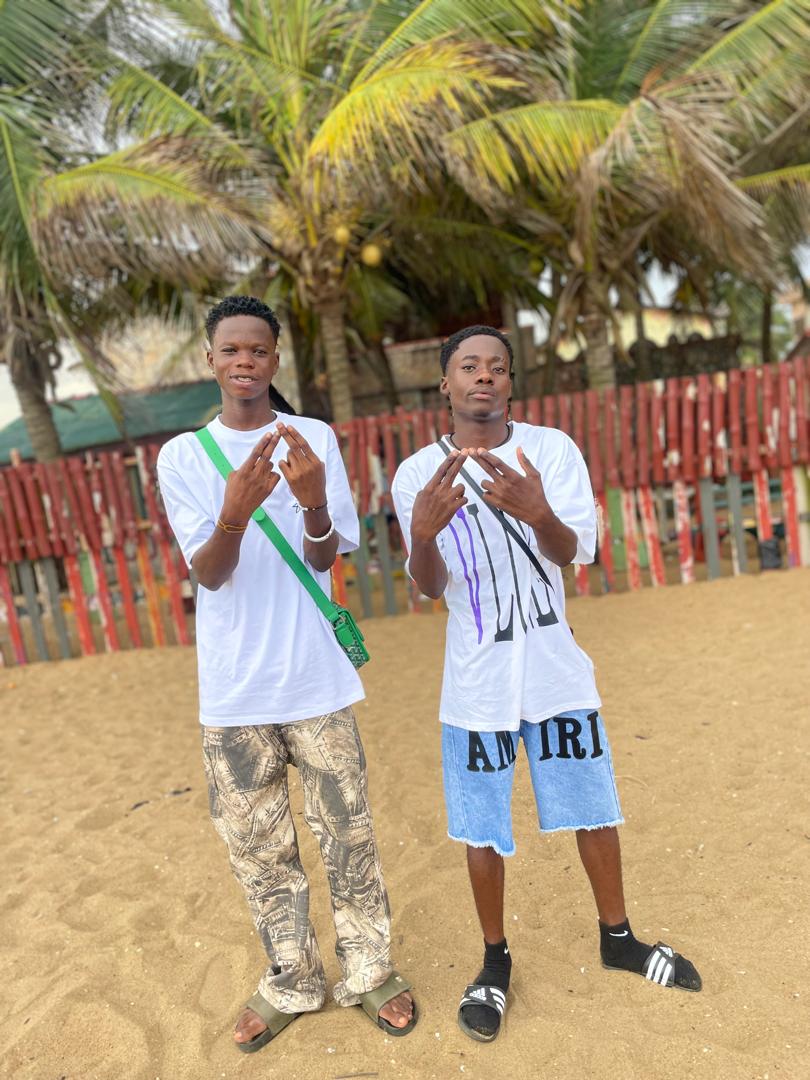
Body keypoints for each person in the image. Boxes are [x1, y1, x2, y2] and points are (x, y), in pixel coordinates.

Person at [391, 325, 700, 1044]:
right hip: (476, 681)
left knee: (593, 807)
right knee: (481, 827)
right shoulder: (417, 474)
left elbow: (572, 552)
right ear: (445, 383)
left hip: (556, 670)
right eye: (469, 366)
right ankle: (494, 960)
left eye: (497, 367)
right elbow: (430, 586)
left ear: (510, 381)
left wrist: (537, 510)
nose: (484, 377)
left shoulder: (551, 450)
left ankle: (618, 938)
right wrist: (423, 536)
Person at [157, 295, 415, 1054]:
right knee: (259, 850)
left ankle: (369, 971)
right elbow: (209, 573)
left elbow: (325, 555)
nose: (245, 362)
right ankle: (292, 979)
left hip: (316, 682)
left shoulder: (314, 439)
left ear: (275, 359)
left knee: (349, 834)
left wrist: (312, 503)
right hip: (234, 692)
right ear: (210, 359)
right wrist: (235, 510)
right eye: (231, 350)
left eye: (259, 350)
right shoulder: (182, 457)